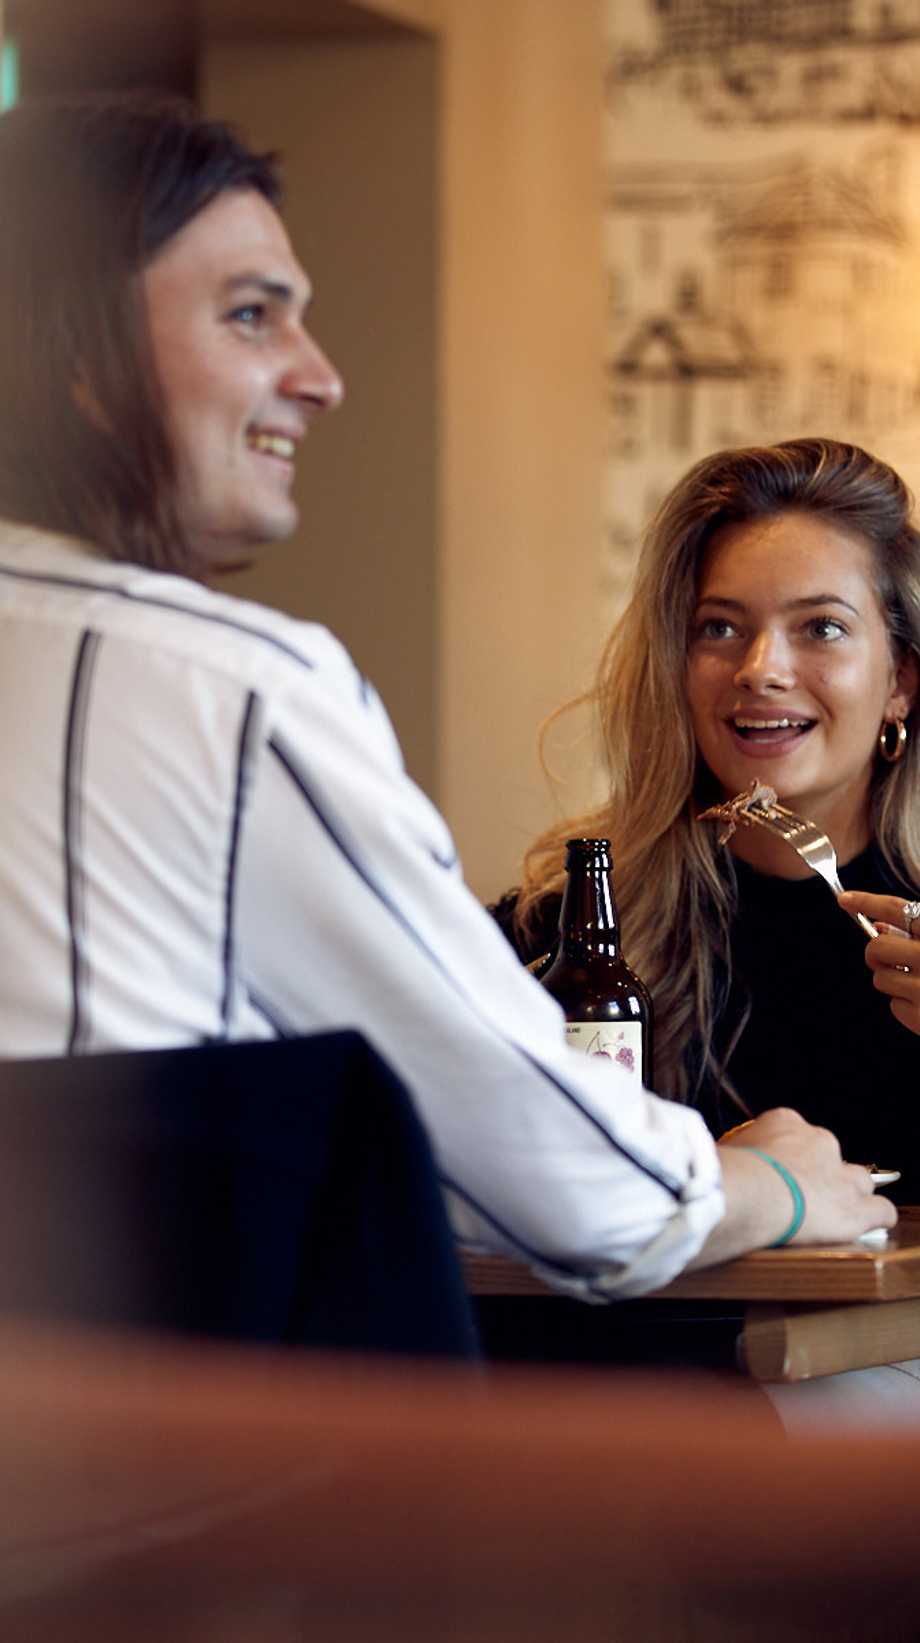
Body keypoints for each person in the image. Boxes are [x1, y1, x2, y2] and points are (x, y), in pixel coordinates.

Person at [0, 96, 891, 1310]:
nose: (321, 378)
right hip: (191, 1438)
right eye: (252, 314)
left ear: (902, 676)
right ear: (79, 360)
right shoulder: (238, 695)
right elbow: (565, 1187)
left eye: (819, 629)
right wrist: (772, 1185)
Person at [493, 437, 920, 1201]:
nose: (760, 668)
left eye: (820, 626)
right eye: (718, 627)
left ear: (901, 681)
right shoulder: (572, 936)